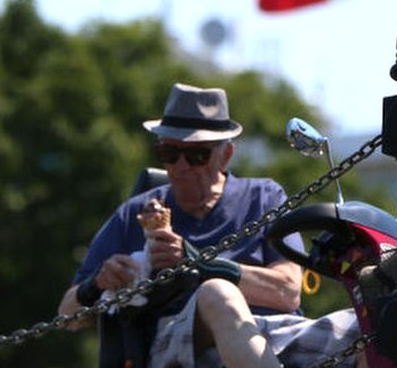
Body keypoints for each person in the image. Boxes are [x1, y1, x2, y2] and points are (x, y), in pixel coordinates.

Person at [57, 83, 357, 367]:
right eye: (170, 154)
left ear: (225, 156)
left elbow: (288, 291)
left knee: (368, 321)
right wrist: (96, 284)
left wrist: (196, 261)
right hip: (179, 344)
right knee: (218, 292)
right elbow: (68, 315)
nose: (181, 166)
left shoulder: (263, 196)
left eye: (196, 155)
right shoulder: (133, 213)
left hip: (271, 332)